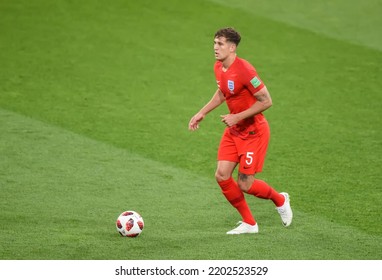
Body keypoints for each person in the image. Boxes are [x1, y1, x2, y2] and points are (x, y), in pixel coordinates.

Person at [188, 27, 293, 234]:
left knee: (245, 184)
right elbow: (223, 92)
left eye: (220, 44)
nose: (215, 48)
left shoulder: (245, 70)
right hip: (235, 131)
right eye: (214, 43)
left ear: (232, 47)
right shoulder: (219, 67)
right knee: (221, 175)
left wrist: (237, 116)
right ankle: (250, 224)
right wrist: (202, 112)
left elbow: (266, 101)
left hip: (254, 132)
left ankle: (280, 199)